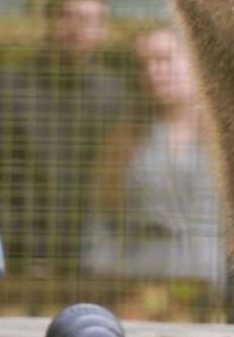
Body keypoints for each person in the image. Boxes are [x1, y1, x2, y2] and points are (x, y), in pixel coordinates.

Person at [0, 0, 130, 287]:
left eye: (88, 19)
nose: (77, 28)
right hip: (19, 255)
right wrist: (24, 250)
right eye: (67, 16)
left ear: (103, 28)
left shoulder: (116, 94)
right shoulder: (7, 89)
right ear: (49, 22)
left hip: (97, 254)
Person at [82, 26, 226, 318]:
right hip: (137, 280)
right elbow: (101, 219)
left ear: (193, 61)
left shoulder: (224, 134)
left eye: (165, 60)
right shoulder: (125, 136)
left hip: (208, 282)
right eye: (144, 64)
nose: (153, 72)